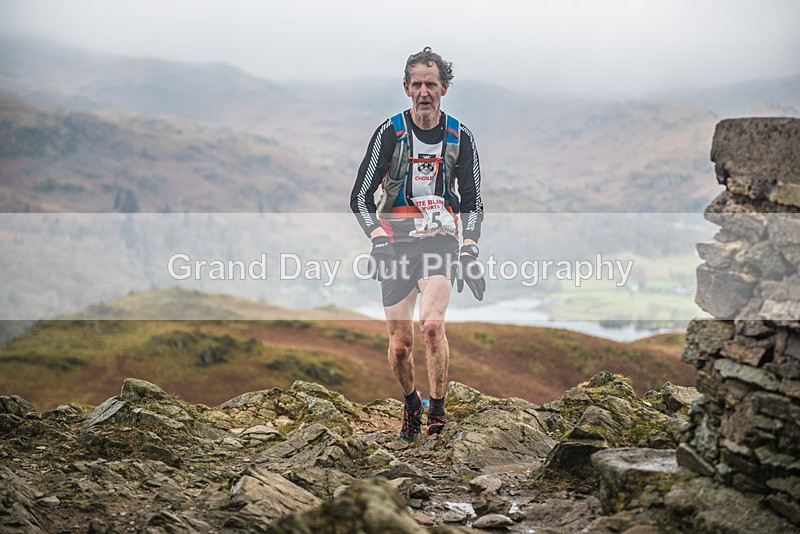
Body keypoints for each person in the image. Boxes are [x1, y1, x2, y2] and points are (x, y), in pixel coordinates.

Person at [350, 47, 485, 442]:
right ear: (406, 88)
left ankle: (437, 410)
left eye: (432, 84)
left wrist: (469, 248)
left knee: (431, 326)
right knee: (400, 346)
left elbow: (473, 200)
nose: (424, 91)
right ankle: (412, 403)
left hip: (439, 240)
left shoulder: (459, 136)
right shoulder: (390, 132)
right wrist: (377, 239)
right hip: (395, 244)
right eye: (417, 84)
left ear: (444, 87)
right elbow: (360, 197)